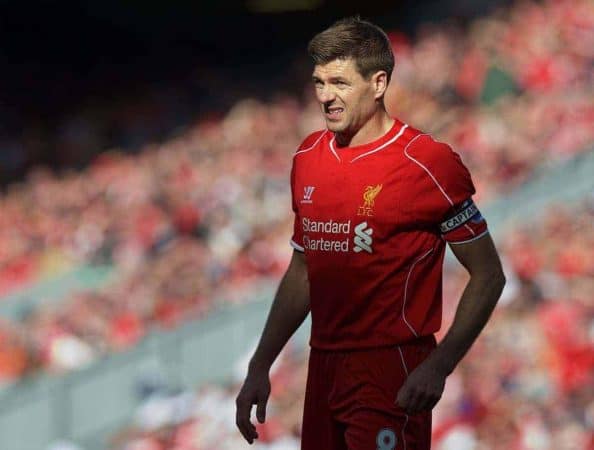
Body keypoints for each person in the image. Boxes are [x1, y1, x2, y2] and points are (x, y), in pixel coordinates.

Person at [236, 16, 506, 450]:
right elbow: (304, 270)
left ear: (378, 83)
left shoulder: (426, 162)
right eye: (320, 83)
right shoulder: (307, 156)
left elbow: (489, 275)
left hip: (392, 367)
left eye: (340, 82)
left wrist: (440, 365)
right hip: (323, 367)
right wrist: (259, 365)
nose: (326, 96)